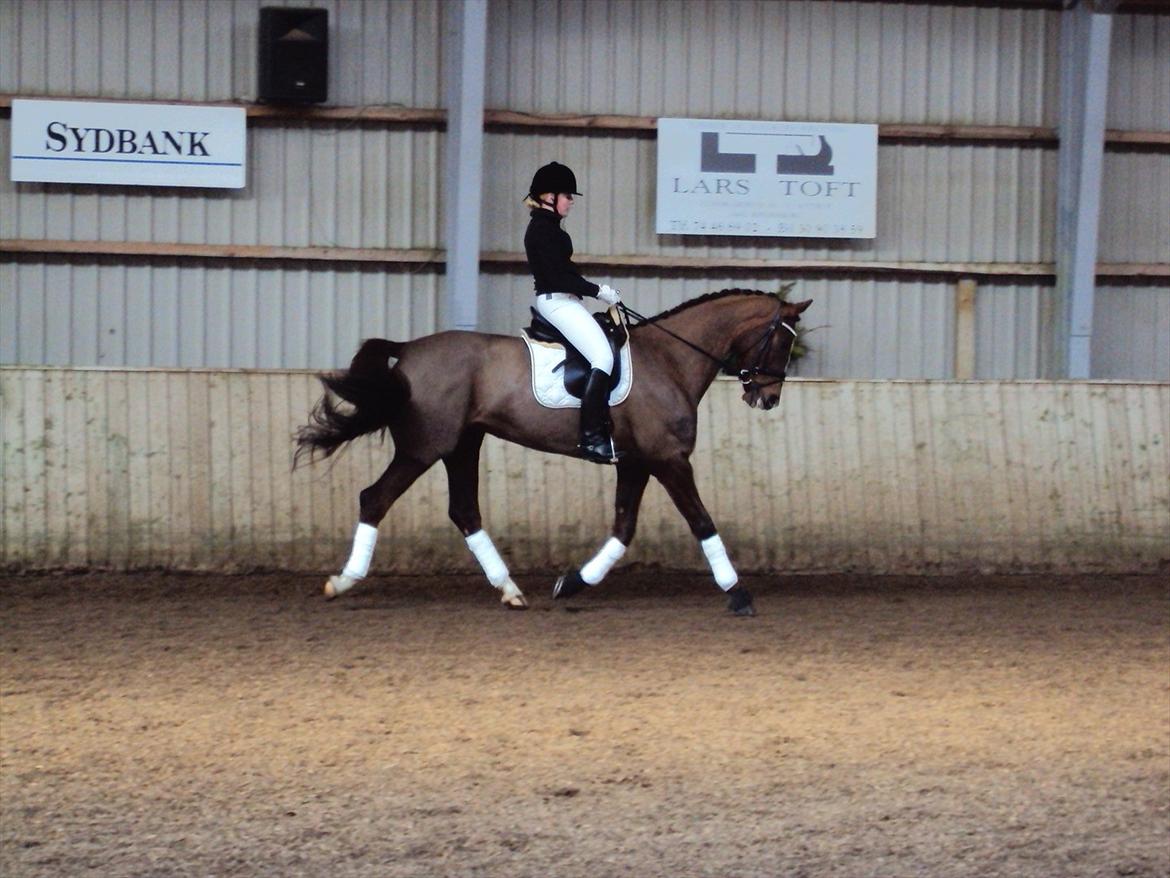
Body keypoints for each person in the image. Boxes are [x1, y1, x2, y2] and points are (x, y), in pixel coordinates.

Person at [523, 161, 624, 464]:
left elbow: (566, 273)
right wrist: (599, 291)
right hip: (556, 300)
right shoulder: (542, 230)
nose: (571, 202)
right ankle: (592, 439)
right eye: (567, 196)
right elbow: (559, 277)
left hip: (564, 299)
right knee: (603, 357)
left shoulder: (550, 227)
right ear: (548, 197)